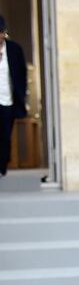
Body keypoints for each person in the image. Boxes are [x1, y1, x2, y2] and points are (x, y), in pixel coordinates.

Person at [0, 15, 28, 177]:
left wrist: (22, 95)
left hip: (8, 99)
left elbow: (22, 74)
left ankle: (2, 166)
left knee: (5, 134)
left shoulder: (14, 50)